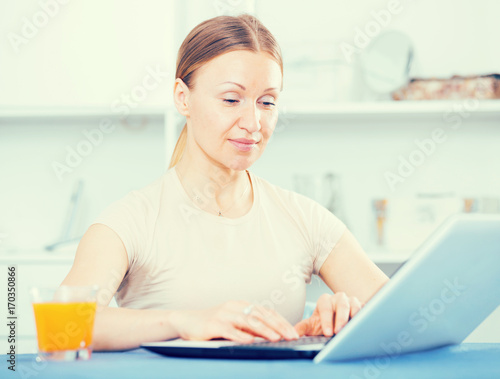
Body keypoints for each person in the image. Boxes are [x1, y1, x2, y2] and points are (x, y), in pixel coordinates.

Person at [61, 14, 389, 351]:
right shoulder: (128, 222)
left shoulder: (305, 218)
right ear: (182, 97)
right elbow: (64, 325)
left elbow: (406, 316)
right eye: (231, 99)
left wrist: (346, 319)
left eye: (267, 102)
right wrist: (184, 322)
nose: (253, 122)